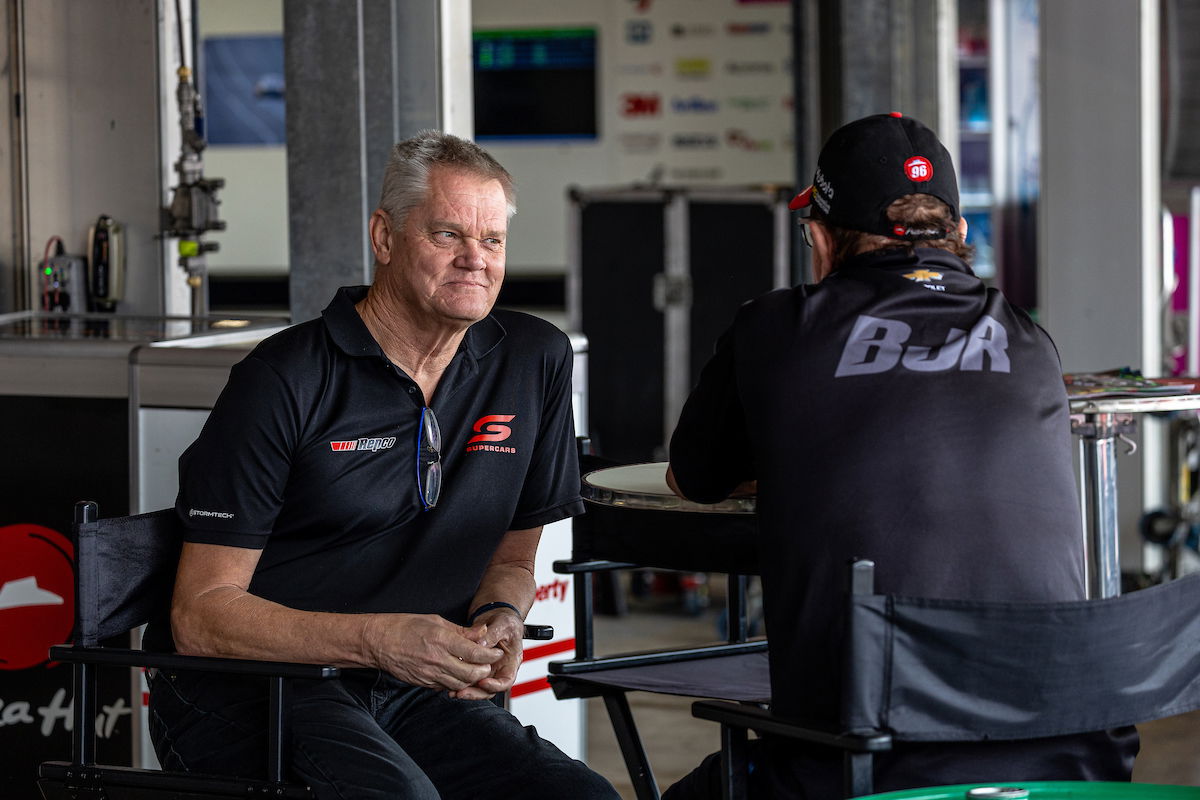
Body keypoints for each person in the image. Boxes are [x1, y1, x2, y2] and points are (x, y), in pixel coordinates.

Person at [663, 113, 1138, 798]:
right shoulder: (1033, 342)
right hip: (1063, 765)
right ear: (960, 235)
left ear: (821, 240)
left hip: (865, 764)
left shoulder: (775, 326)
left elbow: (694, 480)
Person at [145, 130, 618, 800]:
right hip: (259, 688)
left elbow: (512, 560)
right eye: (448, 234)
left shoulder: (533, 359)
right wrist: (379, 640)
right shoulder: (283, 379)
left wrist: (503, 618)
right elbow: (201, 617)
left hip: (410, 688)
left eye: (492, 240)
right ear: (385, 236)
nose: (474, 260)